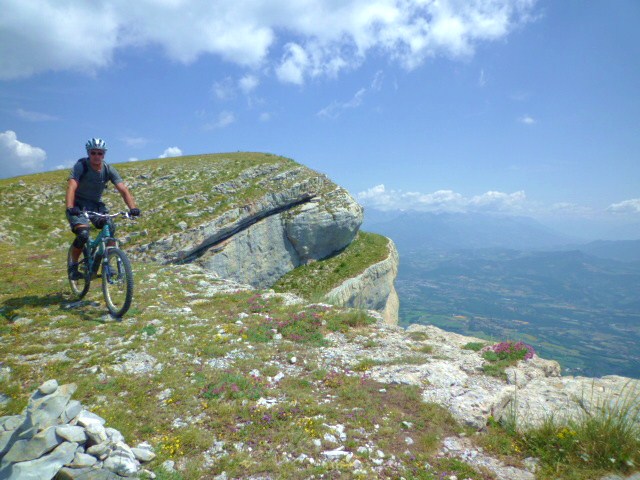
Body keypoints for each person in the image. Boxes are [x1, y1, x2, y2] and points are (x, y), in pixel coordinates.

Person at [66, 138, 140, 280]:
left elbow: (123, 189)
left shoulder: (108, 169)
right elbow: (71, 187)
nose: (96, 156)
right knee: (82, 235)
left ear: (104, 155)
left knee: (109, 227)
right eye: (93, 153)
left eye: (100, 153)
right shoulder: (81, 166)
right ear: (89, 153)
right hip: (78, 204)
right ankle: (73, 266)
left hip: (95, 205)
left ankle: (108, 261)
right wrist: (70, 207)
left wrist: (133, 208)